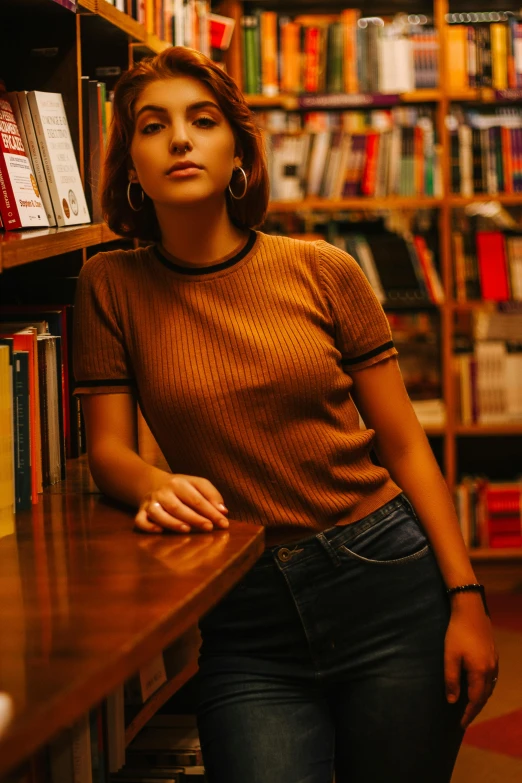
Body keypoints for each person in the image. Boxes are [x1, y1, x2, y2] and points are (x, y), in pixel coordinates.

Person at [73, 46, 498, 783]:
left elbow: (403, 444)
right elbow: (109, 450)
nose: (179, 138)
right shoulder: (108, 285)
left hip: (388, 581)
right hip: (245, 612)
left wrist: (466, 598)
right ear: (129, 164)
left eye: (202, 121)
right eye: (153, 125)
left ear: (238, 149)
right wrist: (151, 483)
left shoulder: (323, 268)